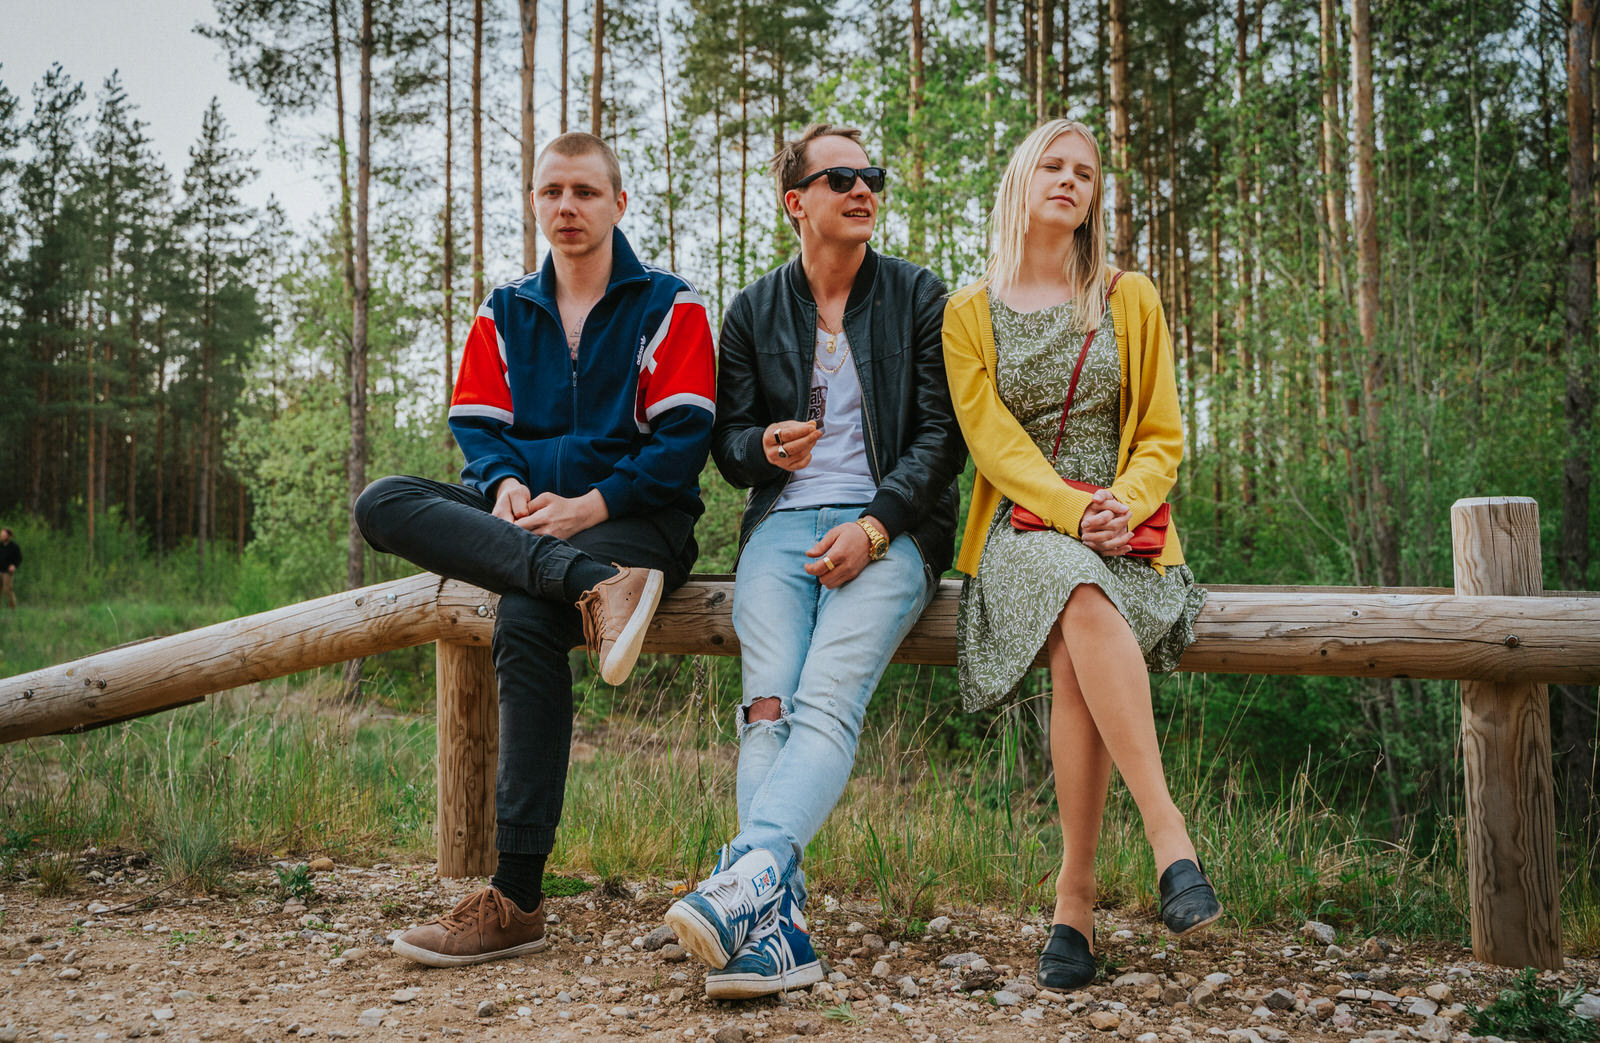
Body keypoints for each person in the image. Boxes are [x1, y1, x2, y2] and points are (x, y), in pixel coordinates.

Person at [354, 132, 716, 968]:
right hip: (534, 526)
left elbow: (683, 442)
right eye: (551, 191)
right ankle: (589, 584)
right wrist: (504, 486)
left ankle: (515, 898)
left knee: (523, 614)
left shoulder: (670, 304)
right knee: (385, 501)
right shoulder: (506, 308)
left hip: (637, 520)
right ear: (533, 202)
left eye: (585, 191)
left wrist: (592, 503)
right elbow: (479, 427)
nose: (567, 206)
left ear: (619, 203)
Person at [664, 124, 966, 1000]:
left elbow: (942, 438)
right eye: (841, 178)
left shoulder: (918, 295)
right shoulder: (754, 309)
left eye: (871, 175)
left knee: (827, 693)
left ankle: (743, 877)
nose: (863, 188)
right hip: (783, 526)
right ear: (796, 201)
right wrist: (762, 444)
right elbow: (727, 445)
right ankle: (778, 928)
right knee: (767, 706)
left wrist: (874, 527)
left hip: (894, 527)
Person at [941, 119, 1218, 990]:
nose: (1069, 181)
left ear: (1095, 197)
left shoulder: (1129, 296)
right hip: (1025, 528)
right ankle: (1170, 837)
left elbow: (1163, 433)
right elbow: (993, 445)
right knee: (1074, 589)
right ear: (1021, 180)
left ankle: (1076, 901)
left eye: (1086, 173)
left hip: (1126, 528)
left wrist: (1121, 504)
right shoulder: (967, 312)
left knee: (1076, 645)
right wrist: (1073, 510)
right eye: (1053, 166)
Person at [0, 527, 19, 610]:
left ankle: (12, 608)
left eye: (4, 535)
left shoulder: (14, 547)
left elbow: (19, 558)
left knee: (7, 590)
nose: (2, 536)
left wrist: (14, 565)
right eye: (1, 535)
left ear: (9, 536)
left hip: (7, 572)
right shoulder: (0, 545)